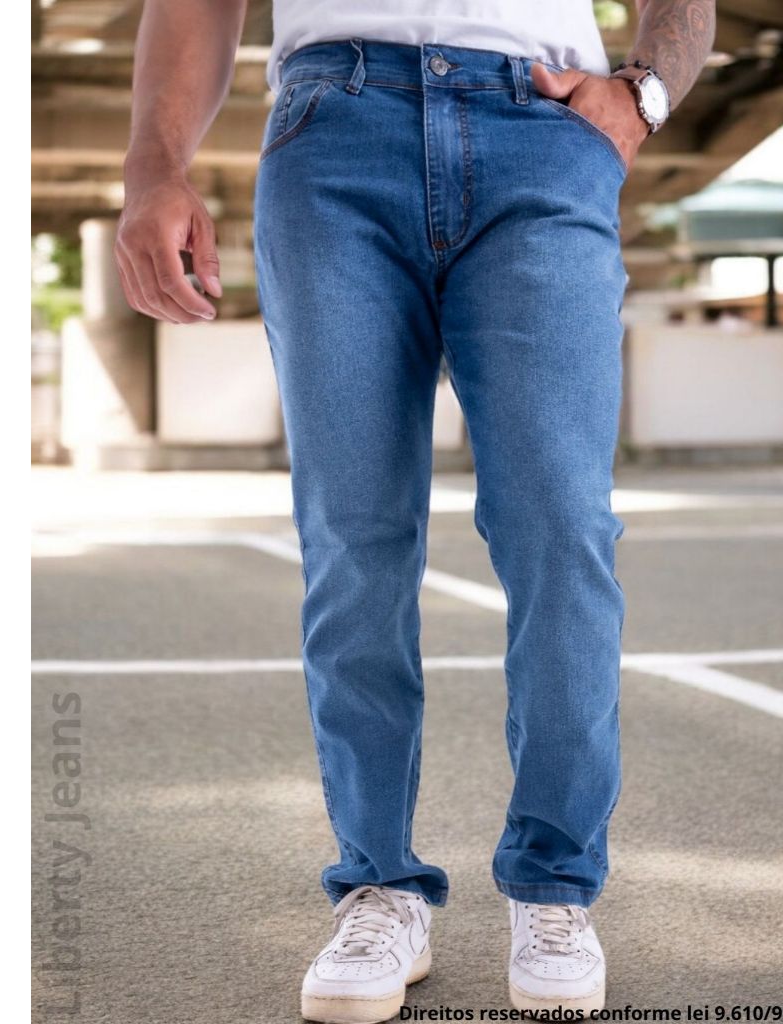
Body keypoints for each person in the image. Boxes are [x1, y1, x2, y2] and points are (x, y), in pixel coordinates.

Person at [116, 2, 714, 1020]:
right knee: (353, 539)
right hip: (334, 132)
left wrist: (642, 94)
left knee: (560, 528)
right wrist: (152, 170)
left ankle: (555, 885)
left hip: (541, 133)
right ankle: (378, 885)